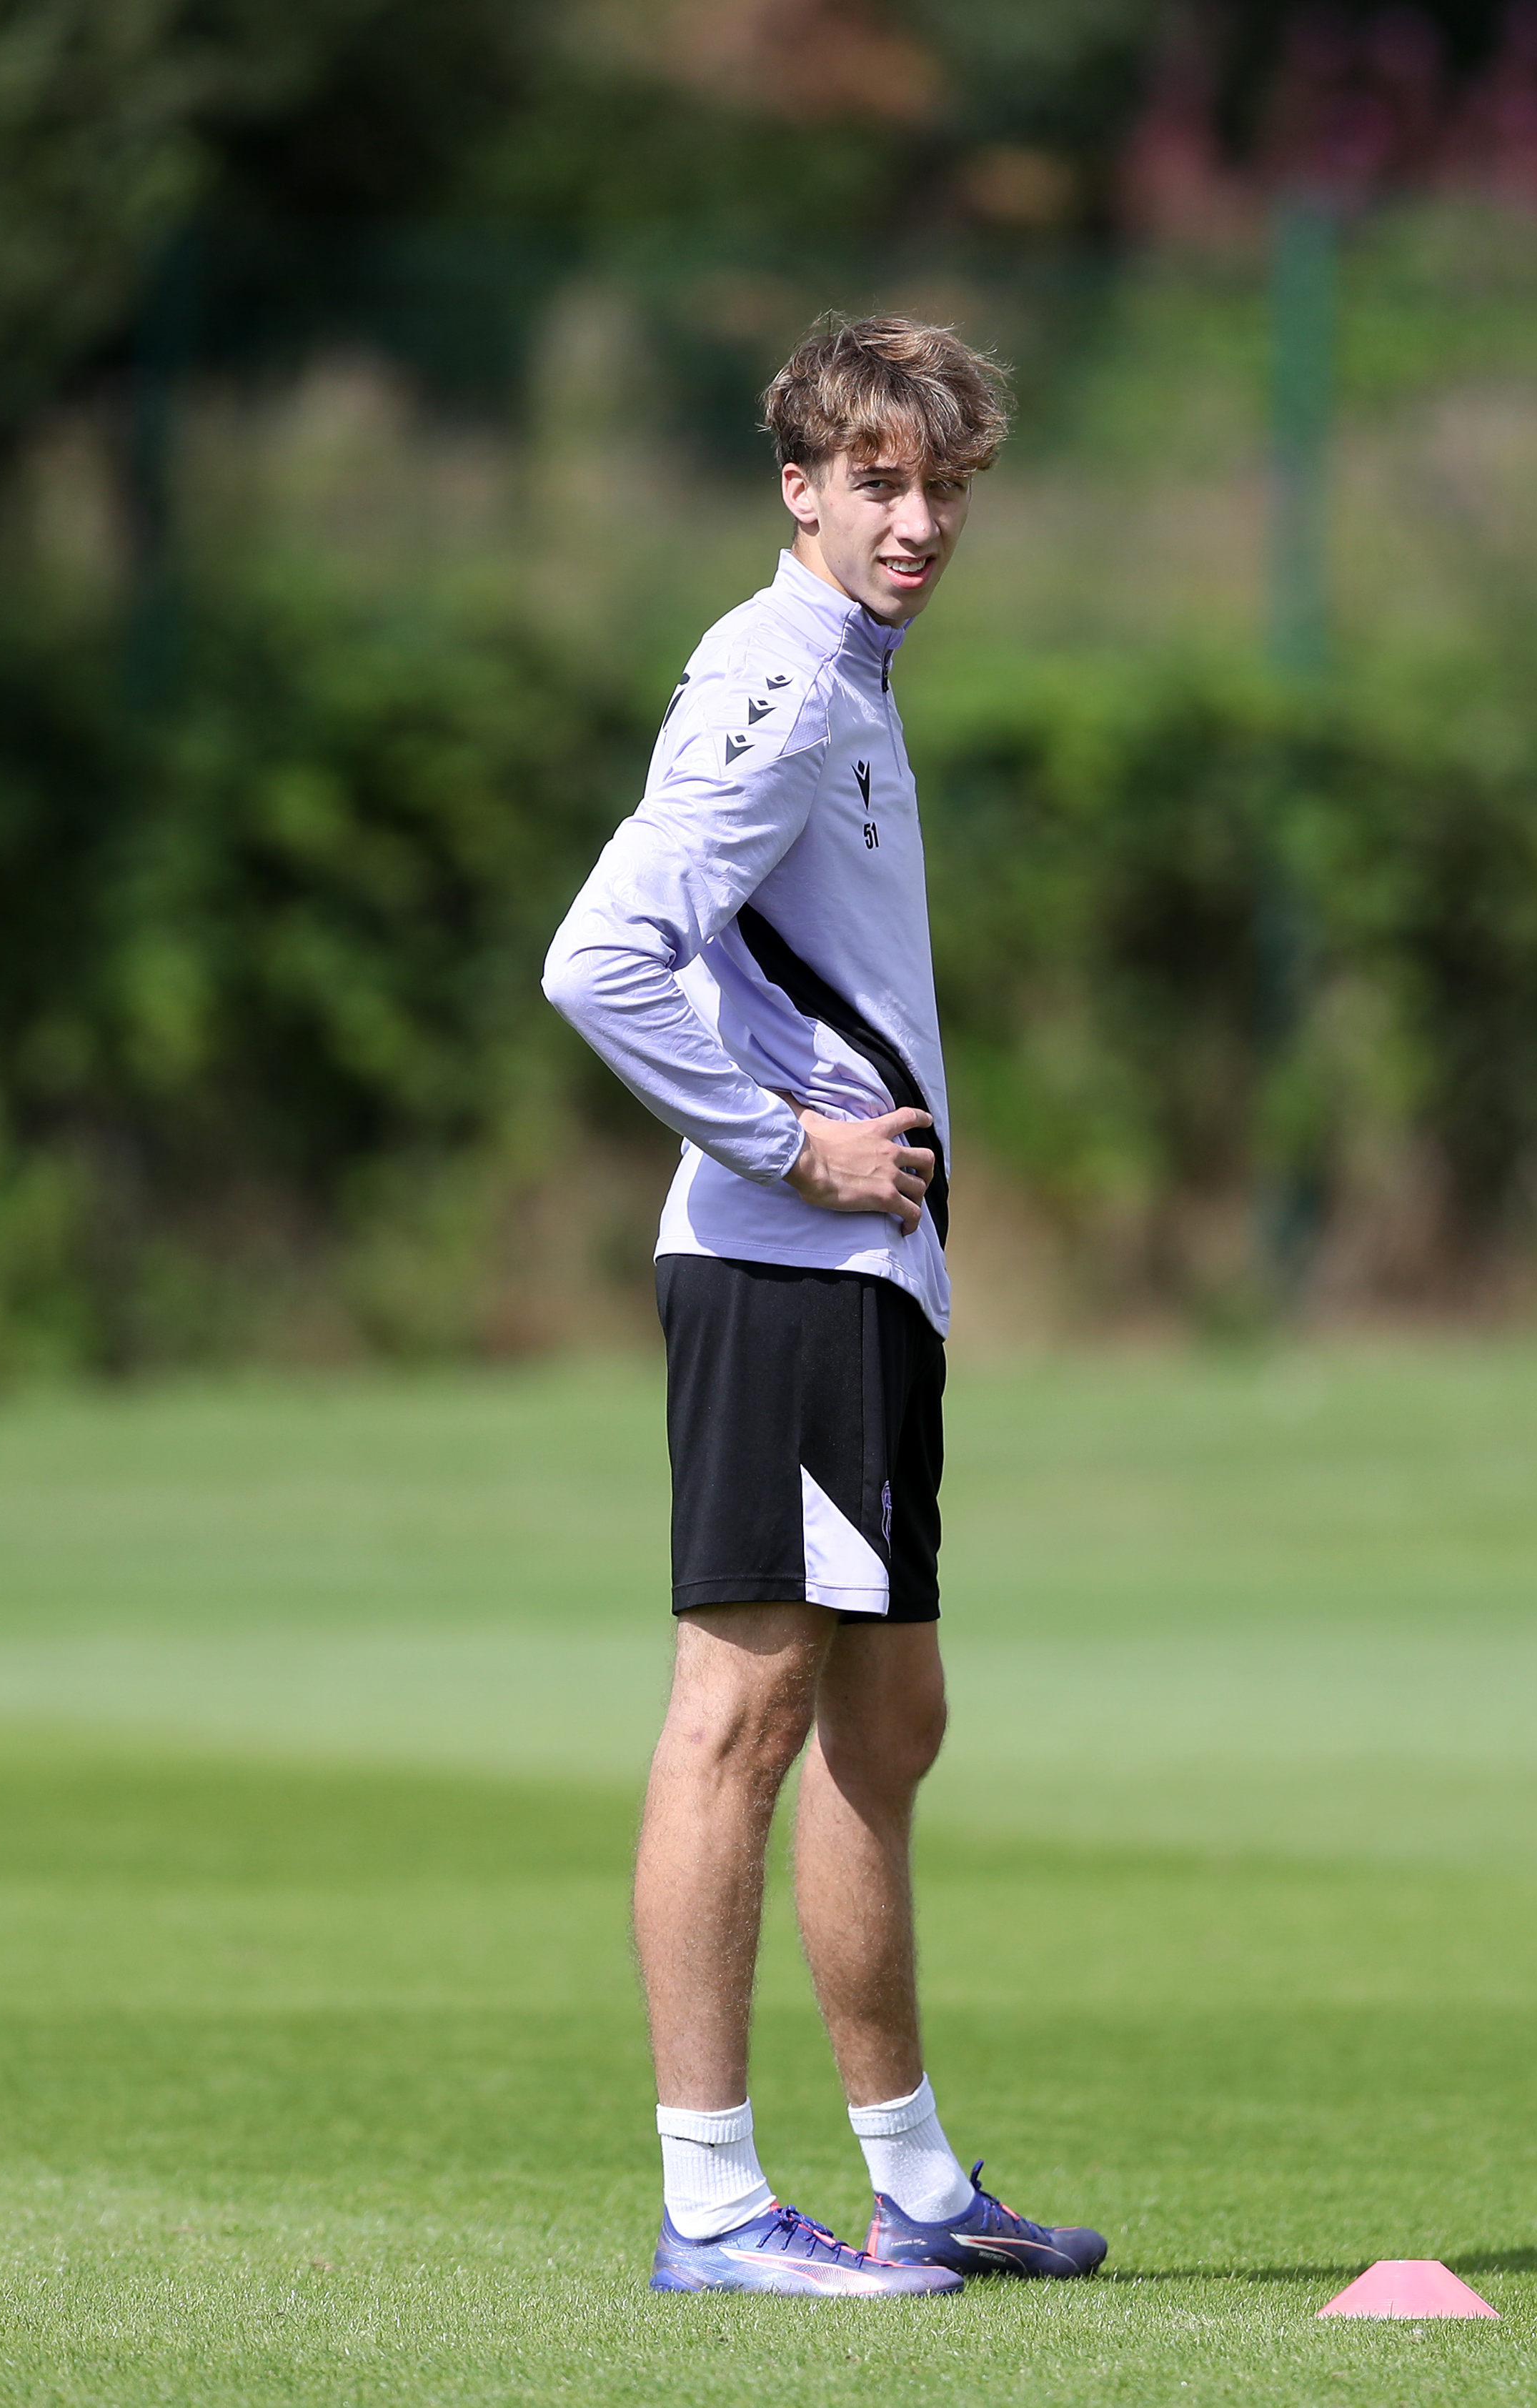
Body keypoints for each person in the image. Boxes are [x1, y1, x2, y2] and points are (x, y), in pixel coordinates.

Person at [541, 314, 1108, 2299]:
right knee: (741, 1718)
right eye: (877, 479)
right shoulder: (777, 678)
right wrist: (794, 1148)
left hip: (867, 1286)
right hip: (782, 1276)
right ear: (799, 488)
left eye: (946, 482)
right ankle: (711, 2203)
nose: (917, 517)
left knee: (892, 1720)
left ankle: (917, 2183)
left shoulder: (846, 679)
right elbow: (600, 960)